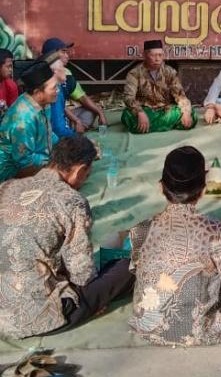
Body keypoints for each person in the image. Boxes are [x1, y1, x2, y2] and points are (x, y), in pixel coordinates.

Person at [0, 135, 134, 338]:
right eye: (86, 175)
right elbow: (82, 275)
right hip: (34, 317)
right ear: (79, 170)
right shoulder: (72, 201)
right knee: (129, 267)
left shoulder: (6, 187)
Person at [129, 146, 221, 346]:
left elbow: (136, 269)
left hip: (148, 327)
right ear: (203, 191)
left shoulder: (141, 229)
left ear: (161, 187)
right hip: (200, 331)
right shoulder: (217, 232)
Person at [0, 60, 58, 182]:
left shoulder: (44, 102)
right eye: (54, 88)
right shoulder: (23, 121)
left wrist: (66, 148)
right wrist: (55, 163)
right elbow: (25, 161)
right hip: (10, 170)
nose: (57, 90)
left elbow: (48, 133)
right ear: (38, 92)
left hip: (37, 160)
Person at [122, 40, 196, 134]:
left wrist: (186, 112)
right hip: (146, 111)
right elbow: (128, 97)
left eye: (160, 55)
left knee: (191, 113)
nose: (157, 59)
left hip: (166, 110)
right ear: (145, 55)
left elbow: (180, 96)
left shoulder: (170, 72)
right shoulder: (134, 73)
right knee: (127, 115)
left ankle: (148, 126)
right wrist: (140, 112)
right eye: (153, 55)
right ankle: (168, 124)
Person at [41, 38, 107, 132]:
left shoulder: (67, 74)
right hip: (49, 118)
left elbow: (81, 97)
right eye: (63, 52)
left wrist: (100, 113)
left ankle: (74, 127)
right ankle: (72, 129)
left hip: (62, 114)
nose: (67, 56)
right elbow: (56, 106)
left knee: (91, 111)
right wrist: (76, 121)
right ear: (52, 55)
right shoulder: (44, 78)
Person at [0, 49, 19, 121]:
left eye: (11, 67)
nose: (11, 70)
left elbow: (13, 115)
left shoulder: (11, 86)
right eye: (8, 66)